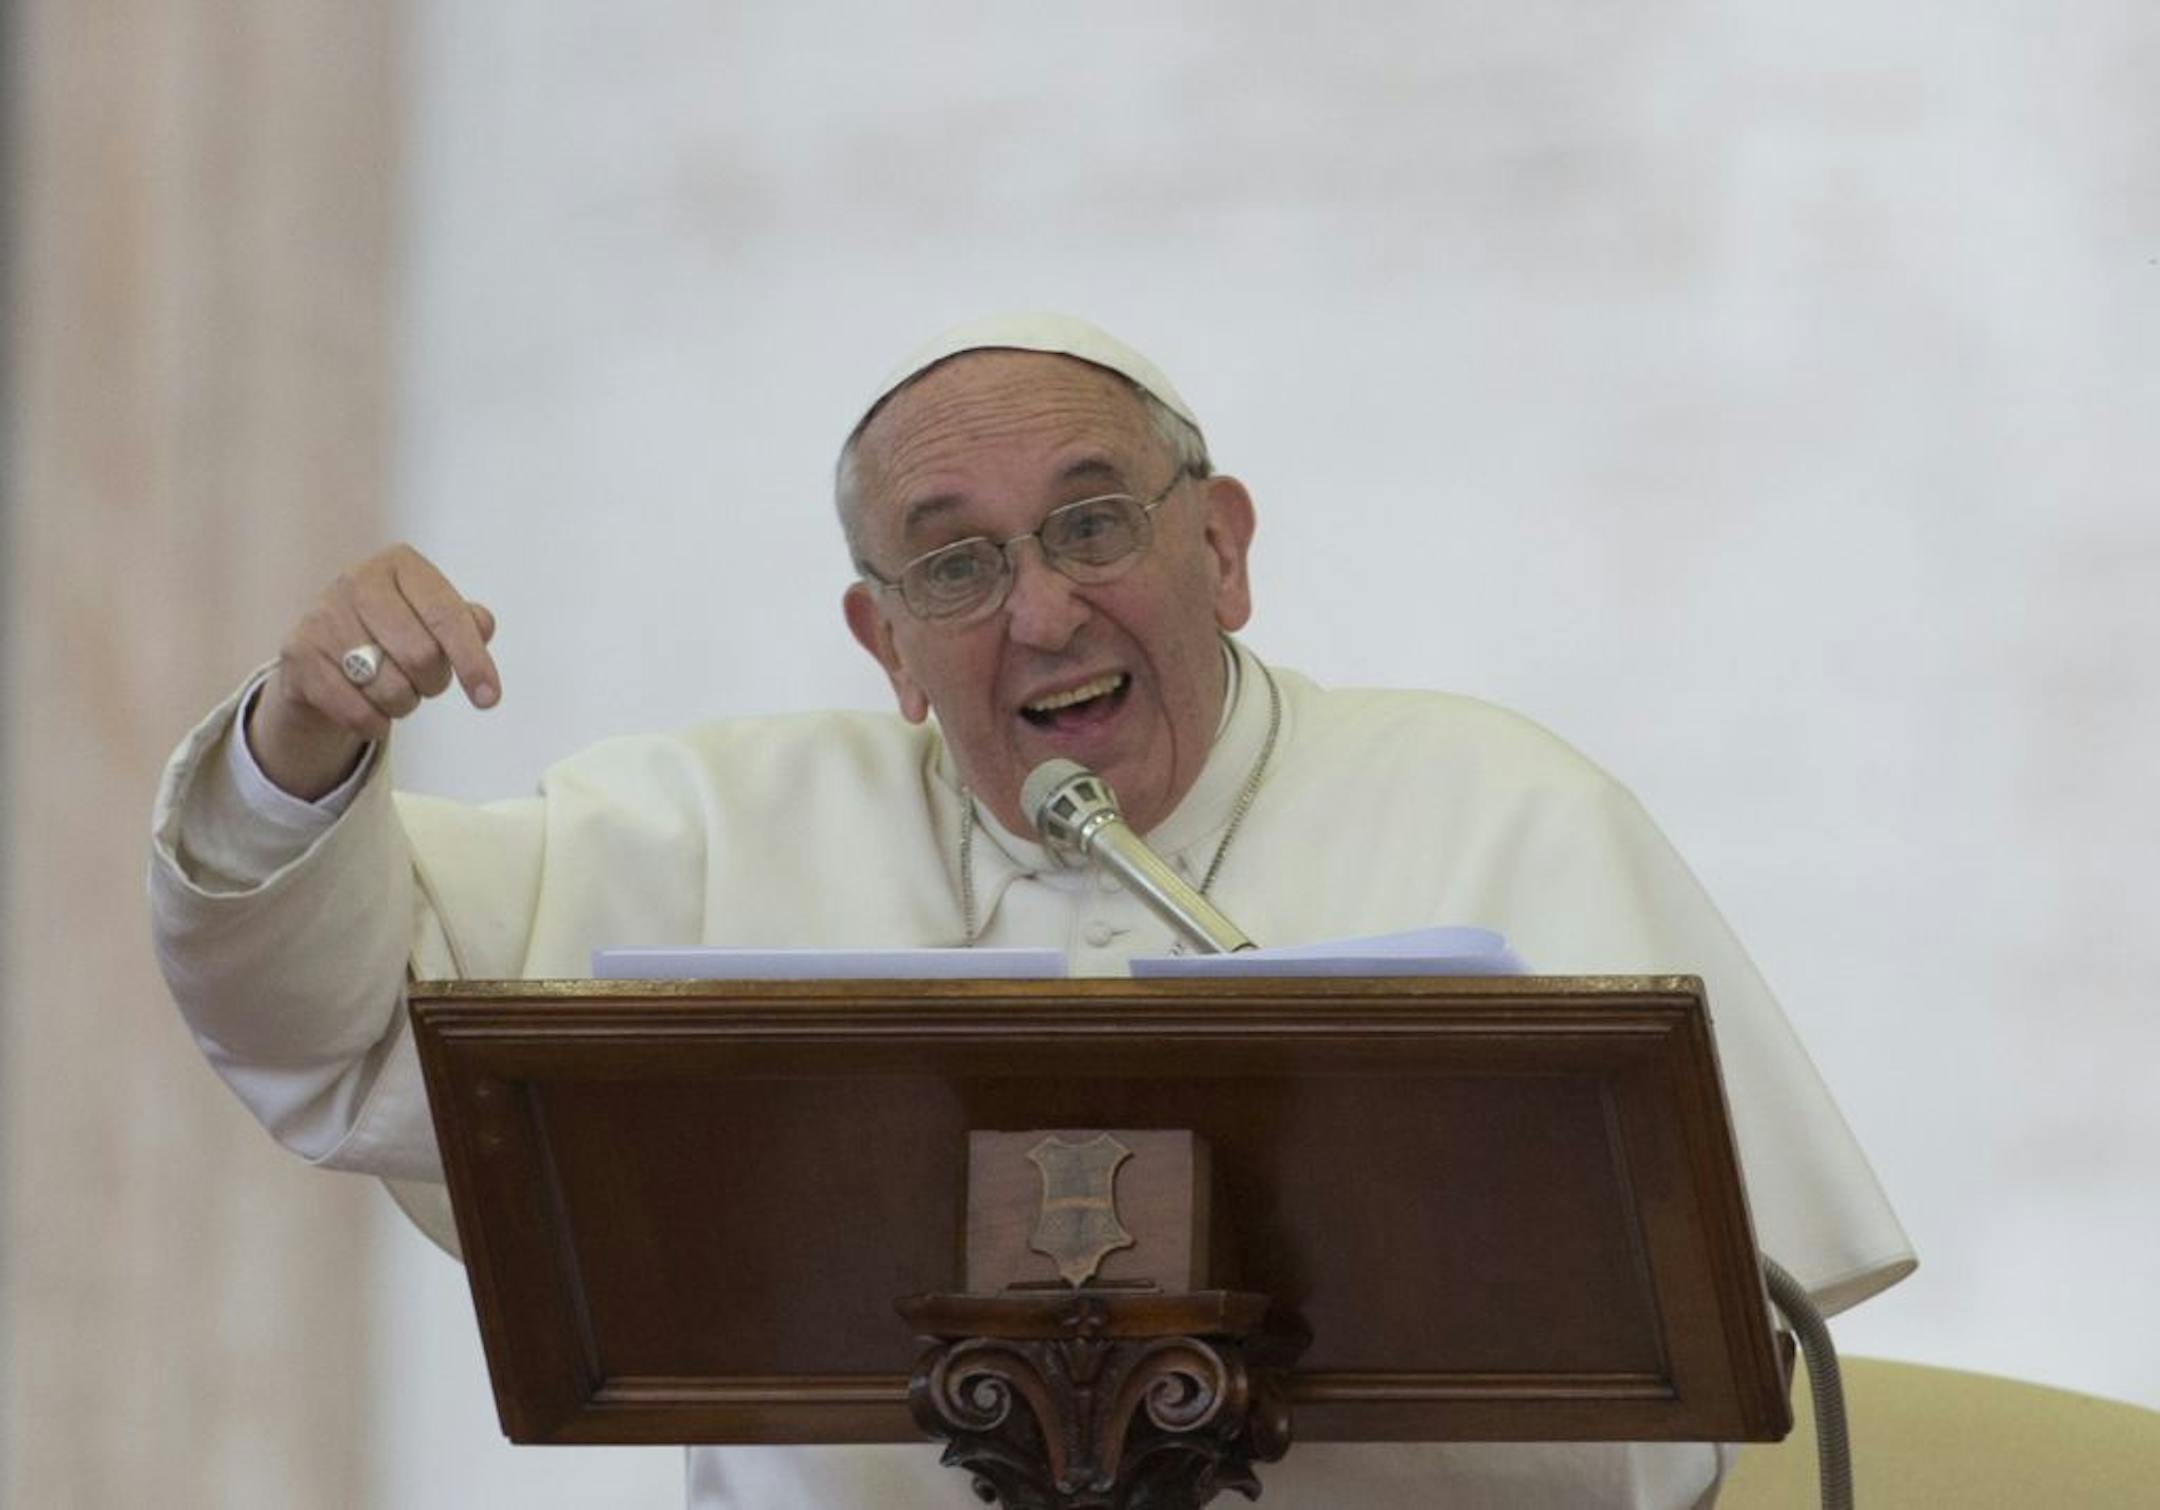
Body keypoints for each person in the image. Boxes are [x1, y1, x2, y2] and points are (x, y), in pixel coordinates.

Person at [150, 313, 1913, 1508]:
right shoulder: (703, 833)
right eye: (957, 563)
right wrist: (300, 746)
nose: (1044, 613)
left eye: (1092, 525)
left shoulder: (1498, 810)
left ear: (1219, 549)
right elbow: (332, 1015)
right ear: (887, 644)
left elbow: (1715, 1333)